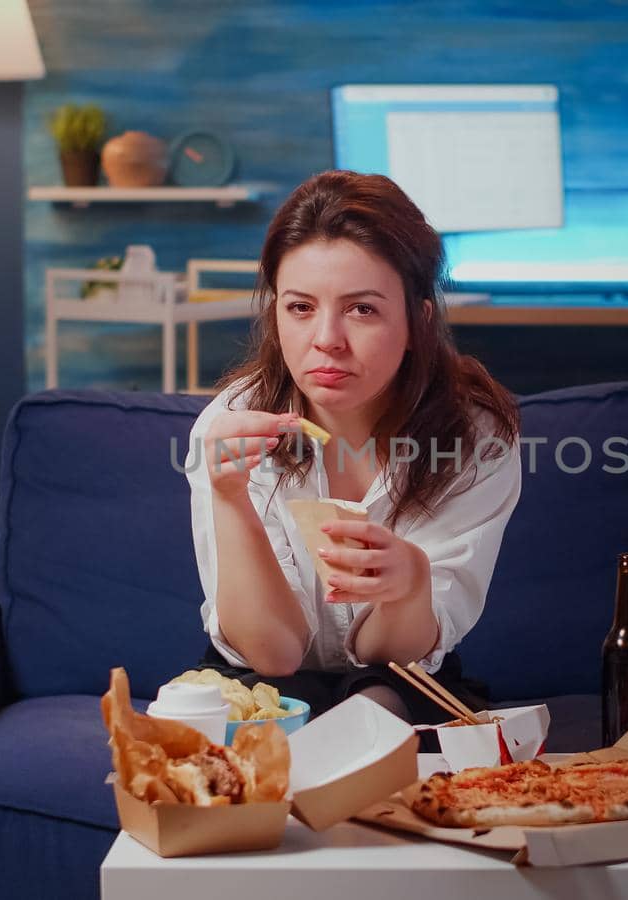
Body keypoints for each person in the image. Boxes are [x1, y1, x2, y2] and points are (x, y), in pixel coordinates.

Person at [186, 170, 521, 724]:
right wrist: (228, 496)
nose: (326, 340)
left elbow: (386, 657)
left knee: (378, 705)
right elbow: (274, 655)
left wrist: (410, 583)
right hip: (262, 681)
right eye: (300, 308)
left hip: (404, 680)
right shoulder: (229, 424)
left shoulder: (477, 440)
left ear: (418, 320)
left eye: (362, 309)